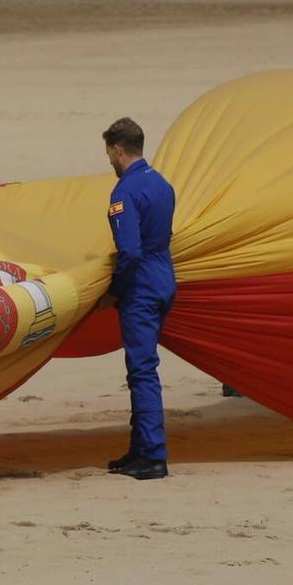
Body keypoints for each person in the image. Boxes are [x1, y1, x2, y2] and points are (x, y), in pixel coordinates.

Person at [97, 118, 177, 480]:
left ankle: (153, 456)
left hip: (141, 286)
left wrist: (114, 292)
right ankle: (139, 450)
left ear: (117, 150)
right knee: (141, 367)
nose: (109, 161)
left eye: (109, 154)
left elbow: (129, 251)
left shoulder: (125, 192)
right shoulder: (162, 184)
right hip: (164, 278)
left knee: (142, 371)